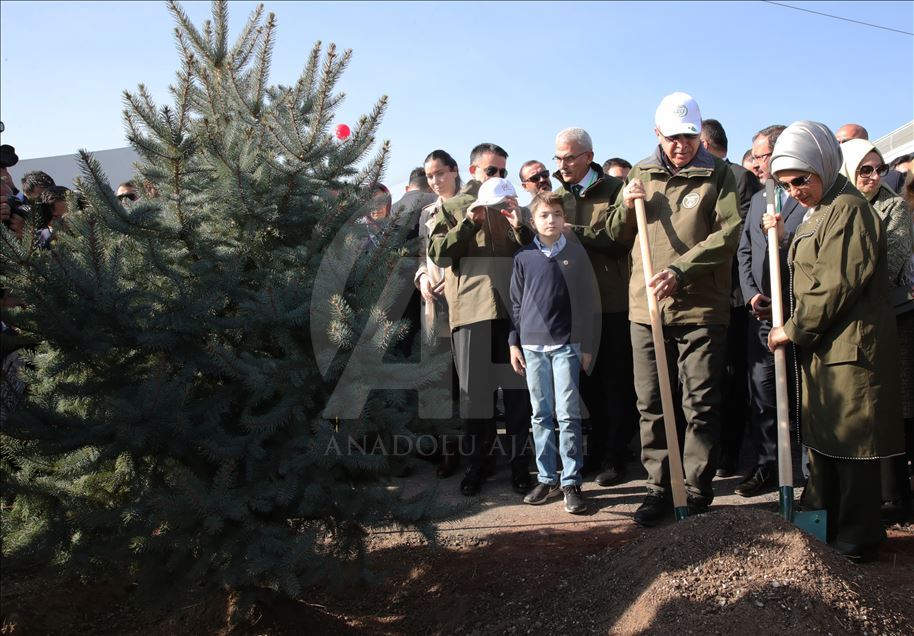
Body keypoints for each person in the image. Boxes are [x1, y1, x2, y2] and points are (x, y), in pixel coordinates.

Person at [764, 120, 903, 561]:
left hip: (850, 349)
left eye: (801, 179)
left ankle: (858, 537)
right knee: (825, 443)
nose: (794, 191)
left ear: (823, 163)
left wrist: (792, 328)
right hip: (827, 349)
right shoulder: (821, 209)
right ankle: (825, 523)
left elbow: (834, 285)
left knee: (852, 446)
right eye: (786, 184)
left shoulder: (848, 209)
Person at [605, 92, 741, 526]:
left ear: (698, 132)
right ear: (657, 134)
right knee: (651, 402)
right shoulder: (641, 173)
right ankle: (659, 487)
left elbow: (728, 234)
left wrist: (681, 271)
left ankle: (697, 490)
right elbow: (615, 232)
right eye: (672, 136)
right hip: (646, 309)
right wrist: (626, 205)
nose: (680, 144)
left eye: (688, 135)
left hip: (701, 307)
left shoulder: (720, 175)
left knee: (698, 402)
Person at [428, 145, 534, 496]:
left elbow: (533, 252)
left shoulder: (512, 205)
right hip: (471, 312)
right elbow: (440, 255)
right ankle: (478, 465)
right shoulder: (453, 207)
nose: (498, 178)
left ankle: (521, 466)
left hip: (512, 312)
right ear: (473, 170)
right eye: (491, 171)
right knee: (476, 397)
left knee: (518, 395)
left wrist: (520, 226)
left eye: (503, 171)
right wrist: (467, 223)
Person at [551, 127, 636, 487]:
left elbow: (620, 239)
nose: (563, 164)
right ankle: (596, 452)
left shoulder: (615, 191)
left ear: (588, 156)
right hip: (572, 305)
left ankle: (616, 457)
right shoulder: (555, 197)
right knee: (585, 385)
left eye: (569, 157)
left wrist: (577, 233)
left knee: (615, 384)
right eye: (558, 157)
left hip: (611, 302)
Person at [839, 138, 914, 522]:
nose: (872, 176)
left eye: (878, 169)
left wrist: (839, 290)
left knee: (894, 406)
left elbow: (889, 262)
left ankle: (896, 496)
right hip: (851, 320)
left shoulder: (894, 207)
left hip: (892, 321)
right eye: (864, 169)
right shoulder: (840, 207)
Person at [509, 192, 597, 514]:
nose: (551, 220)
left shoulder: (576, 254)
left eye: (557, 214)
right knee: (540, 414)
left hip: (567, 346)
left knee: (568, 414)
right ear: (533, 222)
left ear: (564, 219)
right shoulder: (523, 257)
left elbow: (587, 304)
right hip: (532, 348)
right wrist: (513, 342)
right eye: (544, 215)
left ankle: (571, 482)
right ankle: (546, 478)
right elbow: (516, 305)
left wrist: (586, 345)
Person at [736, 124, 805, 497]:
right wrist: (751, 294)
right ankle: (767, 465)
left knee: (802, 393)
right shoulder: (761, 196)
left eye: (761, 156)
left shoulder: (806, 194)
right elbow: (745, 248)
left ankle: (809, 471)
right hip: (762, 313)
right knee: (762, 392)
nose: (757, 164)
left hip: (797, 314)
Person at [700, 117, 762, 477]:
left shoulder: (738, 178)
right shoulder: (712, 176)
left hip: (736, 295)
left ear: (705, 145)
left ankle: (730, 453)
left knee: (734, 377)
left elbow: (740, 237)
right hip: (710, 293)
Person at [415, 150, 463, 477]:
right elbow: (421, 255)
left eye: (440, 174)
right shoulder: (426, 213)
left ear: (454, 171)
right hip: (433, 309)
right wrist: (421, 279)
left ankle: (476, 449)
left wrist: (453, 278)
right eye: (430, 176)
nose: (435, 181)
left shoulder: (470, 205)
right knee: (438, 383)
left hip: (465, 306)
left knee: (468, 384)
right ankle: (448, 450)